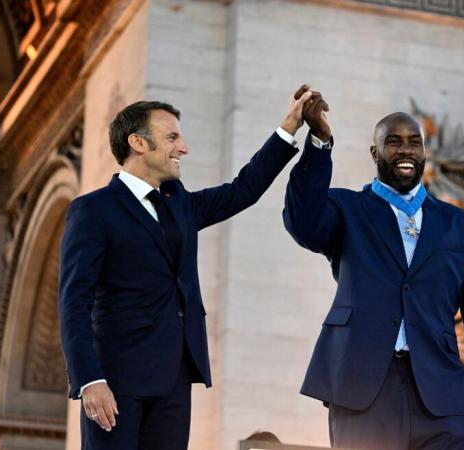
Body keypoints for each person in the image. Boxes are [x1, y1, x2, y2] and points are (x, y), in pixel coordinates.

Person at [59, 86, 314, 450]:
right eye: (172, 137)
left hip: (175, 378)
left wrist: (289, 127)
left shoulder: (180, 205)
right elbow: (73, 302)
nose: (184, 147)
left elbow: (244, 190)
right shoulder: (93, 211)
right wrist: (89, 380)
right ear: (138, 143)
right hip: (117, 379)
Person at [283, 97, 464, 449]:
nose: (405, 150)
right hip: (363, 389)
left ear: (425, 152)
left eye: (414, 142)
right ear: (375, 152)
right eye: (393, 142)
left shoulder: (461, 226)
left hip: (441, 396)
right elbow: (302, 222)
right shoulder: (348, 210)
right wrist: (319, 142)